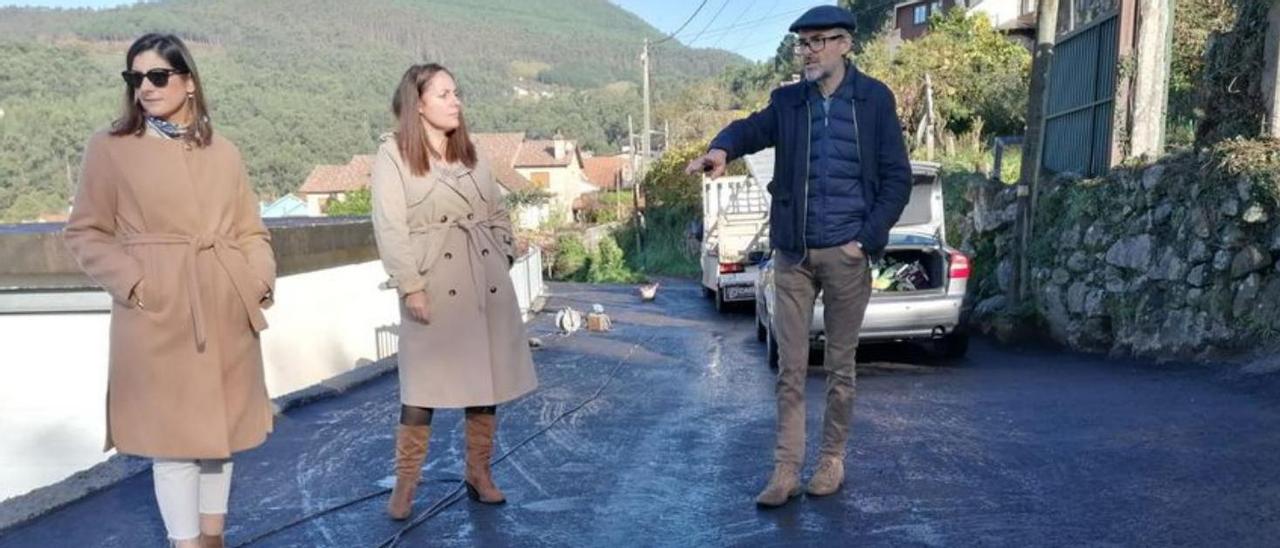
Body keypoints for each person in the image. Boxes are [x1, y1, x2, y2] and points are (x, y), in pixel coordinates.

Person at [686, 5, 912, 508]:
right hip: (793, 255)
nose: (807, 51)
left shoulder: (874, 100)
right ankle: (785, 470)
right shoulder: (788, 103)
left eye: (817, 42)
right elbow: (750, 128)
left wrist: (865, 240)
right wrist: (722, 149)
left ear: (844, 45)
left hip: (847, 255)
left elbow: (897, 177)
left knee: (840, 366)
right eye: (802, 43)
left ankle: (831, 459)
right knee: (790, 368)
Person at [63, 33, 276, 547]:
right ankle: (186, 544)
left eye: (158, 75)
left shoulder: (224, 152)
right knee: (174, 444)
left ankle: (213, 536)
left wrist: (258, 279)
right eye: (136, 77)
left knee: (218, 436)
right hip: (159, 312)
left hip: (224, 305)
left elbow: (251, 231)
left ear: (188, 82)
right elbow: (84, 232)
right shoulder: (110, 148)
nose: (147, 86)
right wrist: (137, 284)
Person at [370, 63, 538, 520]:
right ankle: (405, 485)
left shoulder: (472, 152)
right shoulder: (393, 155)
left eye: (456, 93)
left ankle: (479, 473)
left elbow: (497, 211)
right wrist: (411, 286)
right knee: (421, 391)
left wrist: (502, 254)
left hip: (483, 278)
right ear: (417, 103)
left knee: (483, 384)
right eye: (443, 94)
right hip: (431, 283)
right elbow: (389, 226)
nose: (455, 101)